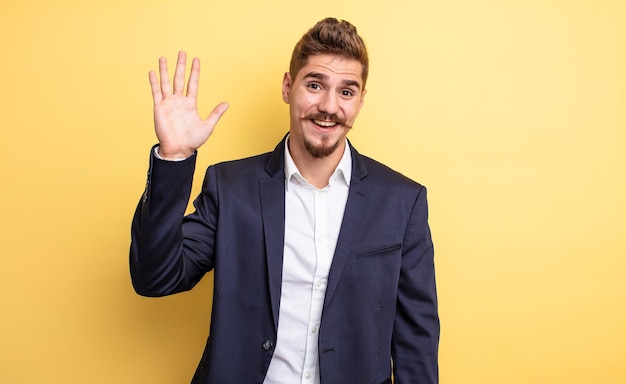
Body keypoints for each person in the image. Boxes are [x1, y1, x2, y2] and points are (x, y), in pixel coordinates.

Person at [130, 17, 439, 384]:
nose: (329, 106)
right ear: (288, 86)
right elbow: (155, 277)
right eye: (315, 85)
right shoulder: (231, 188)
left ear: (360, 101)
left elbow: (416, 339)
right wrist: (174, 158)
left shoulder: (402, 201)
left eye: (346, 91)